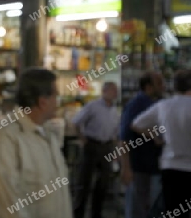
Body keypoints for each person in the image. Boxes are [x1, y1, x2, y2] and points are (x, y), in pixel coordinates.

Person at [0, 68, 73, 218]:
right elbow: (6, 201)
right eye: (56, 96)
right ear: (43, 101)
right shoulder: (4, 137)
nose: (58, 102)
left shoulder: (47, 133)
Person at [132, 69, 191, 218]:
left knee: (173, 210)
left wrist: (156, 137)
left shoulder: (164, 105)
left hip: (169, 166)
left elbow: (137, 124)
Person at [72, 82, 120, 218]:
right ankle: (78, 213)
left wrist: (115, 150)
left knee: (103, 183)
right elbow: (76, 122)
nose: (115, 93)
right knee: (84, 182)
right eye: (113, 90)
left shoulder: (114, 110)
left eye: (116, 91)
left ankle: (96, 213)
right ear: (104, 91)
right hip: (92, 145)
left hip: (107, 146)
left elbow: (115, 132)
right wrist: (83, 139)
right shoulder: (93, 106)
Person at [120, 71, 164, 218]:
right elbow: (125, 137)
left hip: (153, 165)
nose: (163, 86)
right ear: (149, 87)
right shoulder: (136, 105)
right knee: (137, 208)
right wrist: (126, 167)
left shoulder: (157, 104)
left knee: (151, 207)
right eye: (159, 83)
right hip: (138, 165)